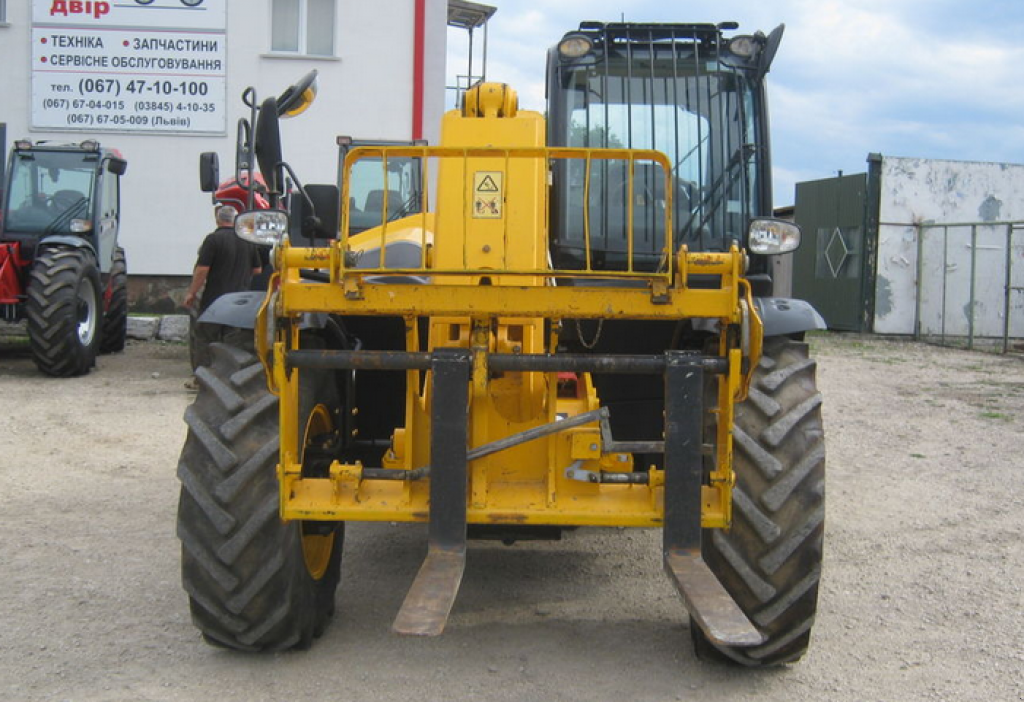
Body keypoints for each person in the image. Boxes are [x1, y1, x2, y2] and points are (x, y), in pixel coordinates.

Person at [183, 205, 262, 386]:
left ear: (218, 220)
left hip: (214, 301)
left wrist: (191, 292)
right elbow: (257, 269)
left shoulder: (213, 240)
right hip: (240, 302)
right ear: (235, 220)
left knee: (205, 339)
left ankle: (201, 380)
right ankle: (231, 380)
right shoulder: (246, 240)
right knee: (233, 341)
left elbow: (203, 269)